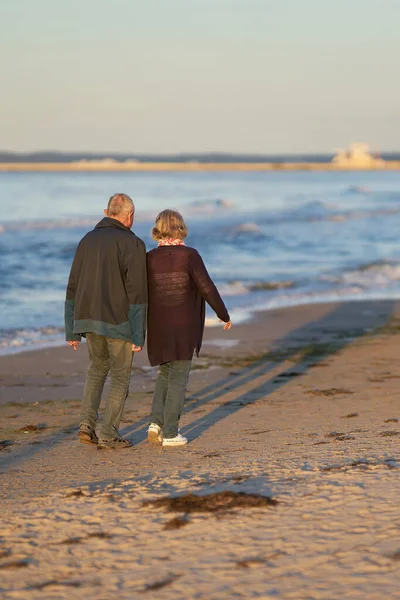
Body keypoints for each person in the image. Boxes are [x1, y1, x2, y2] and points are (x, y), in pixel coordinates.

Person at [65, 193, 147, 450]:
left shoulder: (86, 240)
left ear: (106, 211)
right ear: (129, 216)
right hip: (119, 321)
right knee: (120, 376)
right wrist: (138, 333)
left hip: (88, 319)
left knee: (97, 370)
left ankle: (86, 426)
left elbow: (72, 286)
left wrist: (72, 329)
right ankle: (108, 433)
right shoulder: (133, 243)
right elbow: (138, 293)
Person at [146, 209, 232, 447]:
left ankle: (155, 423)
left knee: (165, 373)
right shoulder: (189, 255)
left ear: (158, 228)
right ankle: (171, 433)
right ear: (180, 227)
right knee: (179, 378)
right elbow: (207, 287)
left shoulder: (149, 257)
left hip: (158, 325)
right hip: (184, 325)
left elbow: (140, 294)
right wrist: (223, 314)